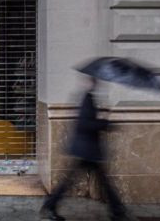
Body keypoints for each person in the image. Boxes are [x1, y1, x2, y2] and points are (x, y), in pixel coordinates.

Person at [40, 77, 126, 221]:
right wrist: (104, 123)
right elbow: (85, 124)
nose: (98, 84)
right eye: (95, 82)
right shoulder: (87, 100)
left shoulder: (89, 98)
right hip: (86, 150)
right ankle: (50, 206)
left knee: (99, 181)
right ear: (91, 83)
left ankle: (117, 211)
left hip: (87, 149)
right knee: (82, 181)